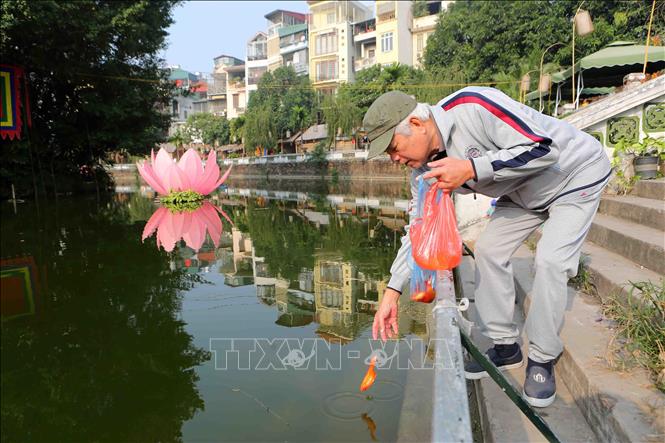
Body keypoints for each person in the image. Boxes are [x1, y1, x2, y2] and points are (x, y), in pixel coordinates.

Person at [365, 88, 611, 408]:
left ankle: (541, 358)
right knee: (489, 250)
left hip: (574, 175)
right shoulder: (422, 172)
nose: (394, 159)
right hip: (523, 193)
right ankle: (506, 346)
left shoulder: (472, 106)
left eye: (393, 148)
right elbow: (419, 230)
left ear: (417, 122)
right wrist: (392, 291)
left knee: (551, 260)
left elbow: (543, 148)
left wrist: (471, 168)